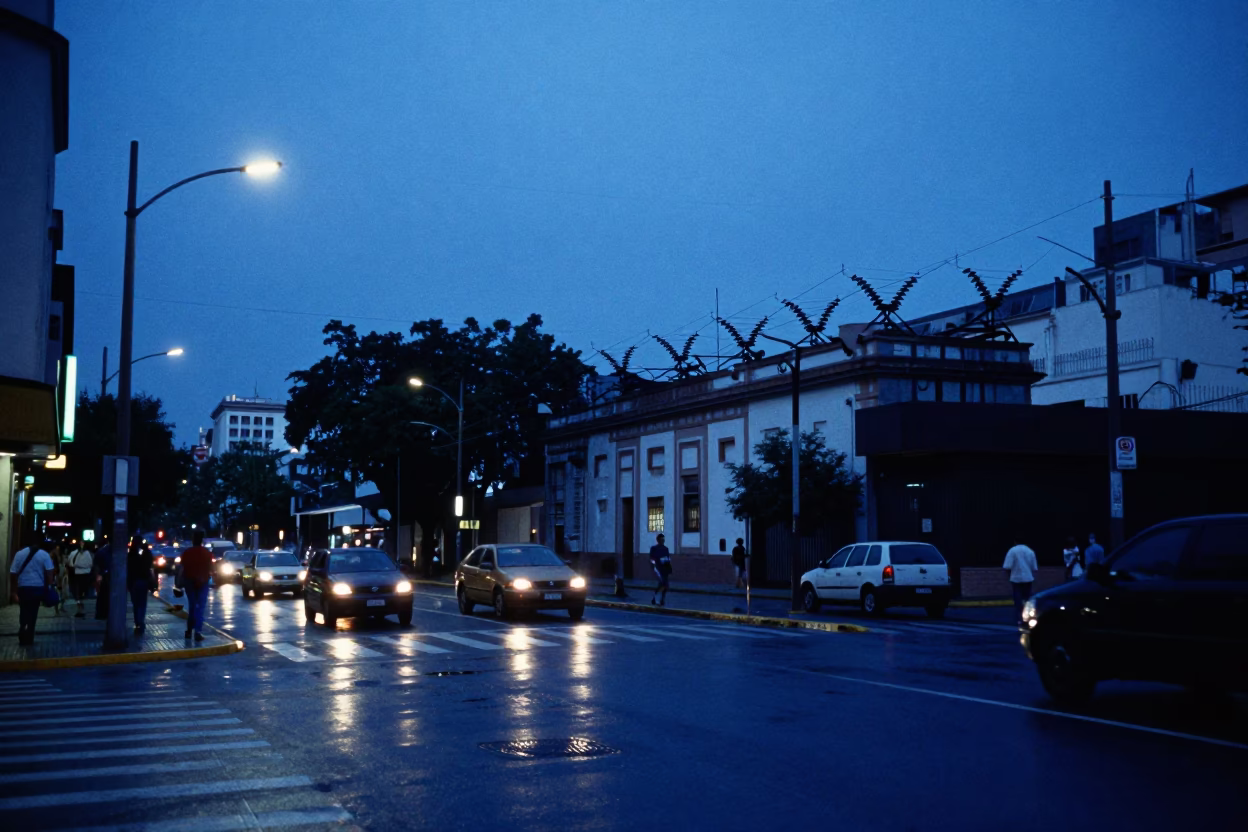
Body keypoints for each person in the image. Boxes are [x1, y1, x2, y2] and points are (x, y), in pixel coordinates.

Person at [9, 535, 55, 646]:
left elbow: (13, 572)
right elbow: (50, 573)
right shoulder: (44, 555)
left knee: (23, 609)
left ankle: (22, 626)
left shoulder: (19, 554)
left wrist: (14, 590)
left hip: (23, 587)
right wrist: (49, 586)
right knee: (33, 612)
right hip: (37, 588)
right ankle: (29, 634)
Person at [179, 529, 214, 641]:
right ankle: (197, 631)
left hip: (189, 582)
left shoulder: (187, 553)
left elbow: (182, 568)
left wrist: (179, 582)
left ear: (193, 540)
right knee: (200, 607)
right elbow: (210, 568)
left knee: (192, 606)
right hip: (203, 582)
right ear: (201, 540)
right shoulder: (207, 553)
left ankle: (189, 630)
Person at [1003, 538, 1039, 626]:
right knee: (1028, 600)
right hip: (1028, 578)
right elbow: (1034, 568)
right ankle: (1028, 619)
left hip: (1016, 579)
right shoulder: (1030, 551)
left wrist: (1009, 577)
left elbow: (1007, 566)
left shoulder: (1012, 551)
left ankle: (1019, 619)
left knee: (1018, 600)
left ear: (1015, 541)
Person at [127, 540, 157, 635]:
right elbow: (150, 568)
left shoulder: (131, 555)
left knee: (135, 603)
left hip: (133, 581)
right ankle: (140, 622)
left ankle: (137, 622)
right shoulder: (146, 554)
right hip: (143, 581)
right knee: (142, 603)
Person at [68, 542, 94, 617]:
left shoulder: (73, 553)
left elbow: (70, 563)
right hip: (86, 575)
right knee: (84, 592)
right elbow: (91, 564)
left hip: (76, 575)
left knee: (77, 593)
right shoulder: (89, 554)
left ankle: (80, 608)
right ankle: (82, 609)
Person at [649, 533, 672, 606]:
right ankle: (657, 598)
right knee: (662, 583)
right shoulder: (654, 548)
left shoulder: (666, 549)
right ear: (658, 540)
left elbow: (668, 558)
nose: (663, 541)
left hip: (665, 569)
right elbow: (651, 558)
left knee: (665, 585)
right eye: (661, 539)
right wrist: (654, 564)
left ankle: (660, 599)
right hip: (658, 568)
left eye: (663, 539)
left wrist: (668, 563)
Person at [93, 542, 113, 621]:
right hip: (107, 576)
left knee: (102, 596)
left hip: (103, 576)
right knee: (105, 596)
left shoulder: (101, 552)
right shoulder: (110, 552)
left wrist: (97, 576)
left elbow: (96, 566)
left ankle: (101, 613)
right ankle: (104, 613)